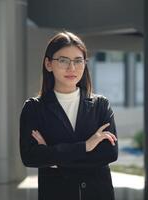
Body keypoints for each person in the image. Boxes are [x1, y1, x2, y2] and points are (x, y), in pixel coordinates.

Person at [19, 31, 118, 200]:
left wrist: (53, 157)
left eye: (78, 61)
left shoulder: (100, 105)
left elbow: (109, 154)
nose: (72, 68)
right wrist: (85, 146)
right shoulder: (34, 108)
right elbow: (30, 158)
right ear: (48, 64)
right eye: (63, 60)